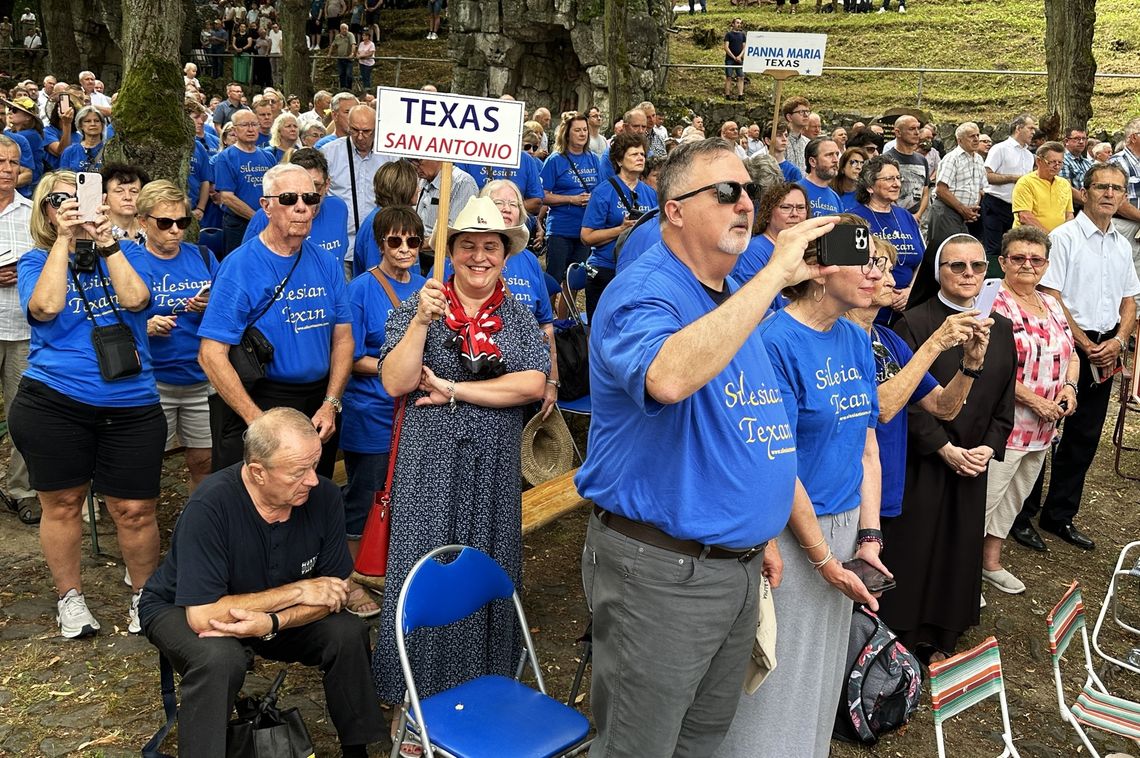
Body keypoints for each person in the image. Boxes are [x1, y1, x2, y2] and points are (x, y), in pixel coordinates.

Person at [576, 138, 872, 755]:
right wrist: (770, 278)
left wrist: (756, 528)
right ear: (674, 209)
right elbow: (668, 377)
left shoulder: (734, 286)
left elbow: (742, 419)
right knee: (640, 746)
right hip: (661, 572)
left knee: (702, 742)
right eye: (725, 192)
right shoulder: (643, 290)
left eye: (749, 192)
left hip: (735, 564)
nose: (744, 204)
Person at [370, 197, 548, 740]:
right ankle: (413, 704)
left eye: (489, 246)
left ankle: (482, 689)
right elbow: (396, 383)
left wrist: (452, 389)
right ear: (449, 252)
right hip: (428, 467)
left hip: (491, 468)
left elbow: (532, 385)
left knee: (487, 560)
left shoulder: (516, 315)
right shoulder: (418, 305)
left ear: (505, 254)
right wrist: (422, 321)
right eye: (466, 245)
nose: (478, 256)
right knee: (422, 566)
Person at [718, 214, 889, 758]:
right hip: (788, 535)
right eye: (860, 262)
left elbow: (866, 444)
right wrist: (822, 559)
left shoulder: (854, 338)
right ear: (817, 271)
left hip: (842, 533)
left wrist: (869, 536)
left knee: (819, 673)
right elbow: (778, 460)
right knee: (776, 676)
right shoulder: (775, 342)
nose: (875, 273)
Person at [138, 408, 384, 758]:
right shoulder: (210, 505)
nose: (313, 480)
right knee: (219, 657)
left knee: (346, 632)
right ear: (257, 472)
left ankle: (356, 748)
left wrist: (274, 621)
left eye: (314, 466)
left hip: (277, 612)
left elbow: (336, 590)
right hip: (181, 604)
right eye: (299, 472)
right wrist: (298, 591)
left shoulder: (324, 496)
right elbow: (202, 615)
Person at [10, 171, 164, 638]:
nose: (73, 206)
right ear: (46, 210)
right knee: (63, 503)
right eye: (60, 199)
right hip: (54, 403)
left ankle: (145, 596)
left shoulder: (129, 252)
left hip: (131, 404)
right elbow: (46, 308)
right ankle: (70, 598)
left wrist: (106, 242)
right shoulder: (35, 260)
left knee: (134, 509)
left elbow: (137, 299)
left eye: (81, 198)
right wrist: (64, 240)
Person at [876, 234, 1016, 663]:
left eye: (977, 266)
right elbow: (902, 401)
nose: (969, 274)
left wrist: (989, 448)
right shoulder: (915, 324)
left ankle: (943, 634)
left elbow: (1004, 399)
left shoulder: (1002, 327)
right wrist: (942, 448)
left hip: (974, 462)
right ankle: (902, 637)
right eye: (957, 266)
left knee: (957, 551)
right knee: (915, 550)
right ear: (939, 271)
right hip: (925, 462)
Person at [1012, 163, 1139, 552]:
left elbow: (1129, 300)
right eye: (1101, 186)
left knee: (1084, 437)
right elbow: (1051, 296)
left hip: (1106, 349)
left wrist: (1119, 339)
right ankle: (1021, 515)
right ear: (1084, 192)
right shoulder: (1064, 239)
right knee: (1041, 431)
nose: (1109, 194)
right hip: (1066, 347)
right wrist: (1082, 343)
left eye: (1117, 188)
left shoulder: (1120, 244)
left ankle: (1059, 514)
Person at [198, 164, 353, 478]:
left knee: (309, 493)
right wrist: (257, 421)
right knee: (254, 505)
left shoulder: (326, 262)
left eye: (309, 198)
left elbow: (343, 338)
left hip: (316, 404)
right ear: (266, 206)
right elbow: (210, 354)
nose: (301, 207)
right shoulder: (240, 266)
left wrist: (331, 402)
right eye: (288, 198)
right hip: (262, 398)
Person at [846, 236, 988, 521]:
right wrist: (935, 342)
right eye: (880, 270)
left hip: (885, 484)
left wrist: (970, 364)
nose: (890, 281)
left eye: (889, 271)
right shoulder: (839, 338)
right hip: (849, 490)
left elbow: (943, 407)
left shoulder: (887, 339)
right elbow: (881, 408)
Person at [982, 226, 1077, 594]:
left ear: (1046, 265)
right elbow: (991, 368)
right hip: (1005, 424)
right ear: (1002, 261)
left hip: (1043, 426)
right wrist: (1035, 400)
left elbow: (1070, 352)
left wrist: (1069, 387)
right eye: (1018, 258)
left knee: (1014, 498)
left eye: (1035, 259)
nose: (1027, 265)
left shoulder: (1051, 303)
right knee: (986, 499)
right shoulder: (993, 300)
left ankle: (991, 562)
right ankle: (962, 573)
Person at [340, 207, 425, 603]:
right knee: (365, 498)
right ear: (379, 244)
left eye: (413, 240)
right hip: (372, 411)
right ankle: (354, 582)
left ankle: (393, 575)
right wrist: (400, 369)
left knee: (406, 497)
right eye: (395, 240)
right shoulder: (360, 290)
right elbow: (352, 357)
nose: (405, 248)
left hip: (417, 413)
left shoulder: (428, 286)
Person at [130, 181, 218, 492]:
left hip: (201, 379)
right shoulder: (128, 262)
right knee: (145, 464)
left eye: (182, 222)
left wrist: (209, 308)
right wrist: (145, 326)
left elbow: (228, 314)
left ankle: (199, 526)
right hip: (152, 382)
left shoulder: (203, 257)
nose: (175, 230)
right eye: (165, 223)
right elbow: (108, 323)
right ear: (143, 221)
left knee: (204, 462)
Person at [478, 179, 560, 417]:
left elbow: (545, 324)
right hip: (475, 386)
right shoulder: (462, 255)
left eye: (513, 204)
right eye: (498, 202)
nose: (506, 208)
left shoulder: (529, 261)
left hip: (524, 386)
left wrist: (552, 380)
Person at [581, 131, 658, 317]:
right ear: (620, 161)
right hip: (606, 268)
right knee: (599, 326)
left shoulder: (650, 193)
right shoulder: (603, 192)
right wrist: (620, 229)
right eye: (634, 154)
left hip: (638, 270)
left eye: (642, 154)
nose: (640, 158)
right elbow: (586, 237)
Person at [0, 136, 36, 525]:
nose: (8, 169)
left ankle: (22, 490)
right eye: (1, 162)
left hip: (23, 329)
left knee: (22, 418)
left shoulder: (31, 213)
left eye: (13, 162)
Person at [242, 148, 351, 271]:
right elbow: (247, 265)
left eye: (316, 186)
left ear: (327, 185)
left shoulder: (339, 208)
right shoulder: (266, 215)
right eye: (298, 189)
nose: (310, 194)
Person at [850, 155, 925, 320]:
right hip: (870, 311)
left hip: (908, 307)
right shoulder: (855, 220)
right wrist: (886, 293)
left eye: (898, 178)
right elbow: (854, 268)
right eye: (889, 179)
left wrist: (911, 290)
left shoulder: (905, 216)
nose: (897, 184)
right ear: (870, 186)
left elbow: (922, 259)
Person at [322, 104, 393, 253]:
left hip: (378, 244)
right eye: (354, 130)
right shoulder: (329, 153)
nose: (360, 137)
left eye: (367, 131)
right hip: (342, 244)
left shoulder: (390, 155)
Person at [541, 112, 601, 282]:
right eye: (577, 130)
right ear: (567, 133)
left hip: (585, 229)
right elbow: (542, 196)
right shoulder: (555, 160)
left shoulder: (593, 159)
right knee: (554, 277)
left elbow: (601, 191)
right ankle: (548, 309)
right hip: (561, 228)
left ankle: (566, 310)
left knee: (575, 280)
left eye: (585, 130)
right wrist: (571, 199)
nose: (583, 134)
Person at [730, 180, 806, 307]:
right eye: (786, 207)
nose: (795, 214)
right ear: (767, 213)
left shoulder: (804, 248)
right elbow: (749, 306)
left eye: (801, 208)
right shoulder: (754, 252)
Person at [213, 109, 277, 254]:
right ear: (234, 130)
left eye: (254, 124)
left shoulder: (268, 156)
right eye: (245, 125)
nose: (250, 129)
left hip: (269, 222)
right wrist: (257, 218)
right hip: (239, 225)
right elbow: (227, 197)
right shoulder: (225, 157)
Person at [982, 113, 1036, 267]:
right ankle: (991, 285)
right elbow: (987, 175)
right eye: (1030, 128)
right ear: (1019, 128)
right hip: (996, 203)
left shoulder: (1029, 155)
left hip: (1017, 208)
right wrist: (1013, 178)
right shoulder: (1000, 149)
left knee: (1013, 248)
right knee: (994, 248)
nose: (1033, 132)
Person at [351, 158, 420, 278]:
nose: (418, 189)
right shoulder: (378, 223)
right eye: (416, 184)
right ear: (404, 188)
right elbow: (378, 277)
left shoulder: (400, 220)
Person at [926, 121, 987, 258]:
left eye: (977, 135)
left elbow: (980, 188)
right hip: (946, 211)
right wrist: (963, 209)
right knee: (945, 254)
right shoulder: (952, 158)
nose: (976, 139)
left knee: (962, 253)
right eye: (971, 136)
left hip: (965, 214)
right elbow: (941, 190)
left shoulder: (978, 159)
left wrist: (972, 210)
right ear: (960, 140)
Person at [1012, 141, 1074, 232]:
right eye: (1052, 162)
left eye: (1060, 163)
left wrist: (1062, 236)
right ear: (1039, 161)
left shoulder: (1064, 184)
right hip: (1029, 238)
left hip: (1058, 239)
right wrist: (1049, 237)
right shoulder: (1025, 183)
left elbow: (1069, 215)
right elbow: (1025, 217)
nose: (1056, 167)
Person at [884, 115, 931, 222]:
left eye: (918, 128)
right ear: (898, 132)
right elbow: (883, 193)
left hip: (917, 219)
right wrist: (902, 216)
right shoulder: (886, 159)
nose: (917, 132)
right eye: (911, 129)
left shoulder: (922, 160)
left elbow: (925, 192)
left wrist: (918, 215)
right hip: (892, 218)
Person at [102, 163, 149, 245]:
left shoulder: (150, 229)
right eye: (119, 191)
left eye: (134, 191)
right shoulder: (99, 232)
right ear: (105, 197)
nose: (128, 197)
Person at [797, 137, 844, 215]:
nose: (835, 160)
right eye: (829, 155)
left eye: (837, 154)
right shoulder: (796, 191)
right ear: (812, 161)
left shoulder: (835, 197)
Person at [59, 106, 105, 173]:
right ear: (80, 125)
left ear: (102, 125)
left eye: (97, 121)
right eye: (88, 121)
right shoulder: (70, 151)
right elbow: (64, 177)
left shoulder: (109, 150)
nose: (93, 124)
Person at [1059, 127, 1094, 210]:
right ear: (1066, 141)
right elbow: (1066, 188)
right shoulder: (1062, 160)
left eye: (1084, 139)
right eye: (1077, 139)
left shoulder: (1088, 163)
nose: (1081, 142)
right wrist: (1091, 203)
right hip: (1074, 209)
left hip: (1089, 207)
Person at [782, 96, 811, 172]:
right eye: (801, 112)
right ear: (789, 117)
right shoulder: (781, 141)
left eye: (807, 111)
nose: (806, 115)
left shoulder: (807, 143)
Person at [723, 17, 746, 101]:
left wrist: (740, 56)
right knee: (729, 76)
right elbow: (726, 47)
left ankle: (740, 95)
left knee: (741, 77)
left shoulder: (742, 35)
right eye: (737, 22)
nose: (739, 24)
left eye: (740, 23)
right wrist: (733, 57)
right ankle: (727, 95)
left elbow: (744, 47)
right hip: (730, 59)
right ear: (733, 24)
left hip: (739, 59)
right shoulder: (729, 34)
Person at [328, 23, 356, 90]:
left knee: (349, 74)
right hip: (340, 59)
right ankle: (342, 88)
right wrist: (329, 54)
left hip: (348, 59)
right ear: (340, 29)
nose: (345, 30)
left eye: (346, 29)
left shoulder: (350, 35)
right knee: (341, 74)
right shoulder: (337, 37)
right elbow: (333, 45)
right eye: (343, 29)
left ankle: (349, 89)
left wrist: (352, 53)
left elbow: (353, 44)